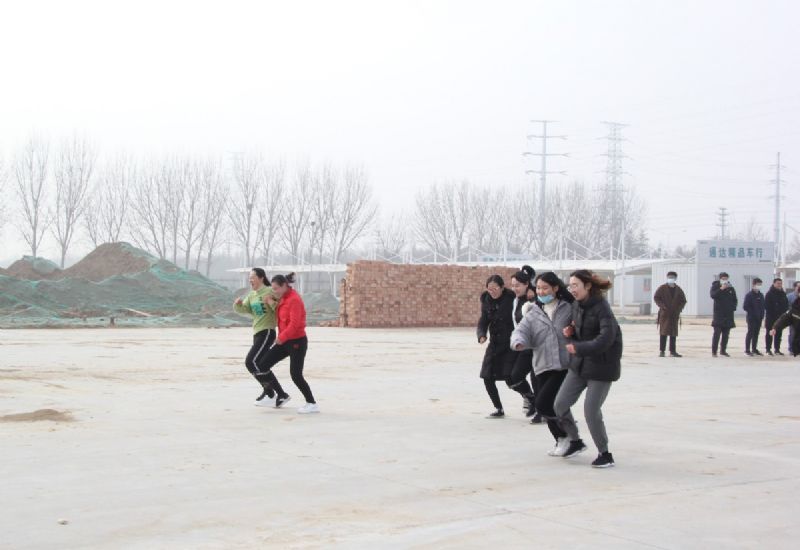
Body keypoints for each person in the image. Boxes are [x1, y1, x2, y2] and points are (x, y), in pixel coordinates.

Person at [554, 270, 622, 468]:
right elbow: (581, 331)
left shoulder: (602, 309)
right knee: (560, 404)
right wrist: (571, 332)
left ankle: (605, 453)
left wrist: (579, 348)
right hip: (580, 365)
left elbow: (606, 339)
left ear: (588, 286)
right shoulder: (577, 305)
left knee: (591, 411)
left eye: (575, 285)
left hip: (601, 367)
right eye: (570, 286)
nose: (572, 289)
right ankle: (575, 441)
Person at [511, 272, 575, 457]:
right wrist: (518, 342)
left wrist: (573, 330)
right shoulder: (534, 311)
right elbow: (521, 330)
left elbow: (581, 327)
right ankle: (562, 439)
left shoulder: (568, 308)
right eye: (538, 288)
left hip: (563, 365)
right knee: (547, 406)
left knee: (544, 403)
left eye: (545, 288)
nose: (541, 291)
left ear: (555, 288)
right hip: (542, 364)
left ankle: (569, 438)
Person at [254, 273, 319, 414]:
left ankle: (311, 403)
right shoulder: (283, 297)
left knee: (296, 375)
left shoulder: (294, 300)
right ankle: (275, 394)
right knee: (262, 365)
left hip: (297, 342)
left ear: (284, 286)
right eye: (273, 289)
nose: (274, 291)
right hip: (284, 341)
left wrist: (281, 337)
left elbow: (295, 324)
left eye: (276, 288)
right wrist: (270, 301)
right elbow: (279, 312)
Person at [233, 267, 279, 406]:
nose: (250, 280)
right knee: (260, 364)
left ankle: (271, 392)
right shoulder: (252, 295)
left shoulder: (270, 291)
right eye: (249, 277)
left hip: (267, 331)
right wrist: (238, 305)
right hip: (257, 332)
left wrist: (270, 302)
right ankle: (272, 393)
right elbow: (245, 309)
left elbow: (279, 308)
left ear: (261, 278)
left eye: (252, 277)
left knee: (250, 362)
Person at [477, 274, 517, 418]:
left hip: (511, 343)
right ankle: (498, 408)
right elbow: (483, 320)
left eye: (495, 288)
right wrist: (481, 334)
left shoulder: (512, 299)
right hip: (494, 343)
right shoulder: (486, 300)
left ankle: (530, 398)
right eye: (489, 289)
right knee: (487, 376)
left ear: (502, 287)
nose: (492, 291)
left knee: (510, 377)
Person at [507, 266, 538, 419]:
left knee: (536, 377)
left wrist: (533, 292)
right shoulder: (516, 300)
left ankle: (541, 409)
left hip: (536, 345)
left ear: (526, 285)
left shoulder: (535, 299)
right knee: (513, 376)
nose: (514, 288)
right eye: (513, 285)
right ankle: (531, 398)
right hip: (522, 345)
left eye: (518, 285)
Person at [653, 271, 687, 358]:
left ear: (675, 278)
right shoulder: (662, 288)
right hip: (665, 314)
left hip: (674, 314)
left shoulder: (678, 289)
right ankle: (662, 351)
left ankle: (673, 351)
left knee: (673, 333)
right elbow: (656, 297)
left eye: (672, 277)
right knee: (663, 332)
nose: (671, 279)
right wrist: (662, 306)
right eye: (669, 277)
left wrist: (679, 309)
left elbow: (683, 300)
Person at [710, 272, 737, 358]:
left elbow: (735, 299)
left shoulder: (731, 288)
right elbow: (713, 295)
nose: (725, 280)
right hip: (719, 314)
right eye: (723, 279)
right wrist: (721, 289)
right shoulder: (715, 286)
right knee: (717, 334)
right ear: (720, 279)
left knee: (726, 334)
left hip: (728, 314)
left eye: (726, 279)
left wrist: (733, 307)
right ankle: (714, 351)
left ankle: (723, 350)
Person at [765, 278, 789, 356]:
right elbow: (767, 306)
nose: (779, 285)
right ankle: (768, 349)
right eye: (778, 283)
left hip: (780, 318)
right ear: (774, 284)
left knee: (779, 334)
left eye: (780, 283)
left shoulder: (783, 293)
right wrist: (775, 311)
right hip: (771, 317)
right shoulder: (769, 294)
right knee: (770, 333)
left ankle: (777, 349)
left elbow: (786, 304)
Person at [743, 278, 765, 356]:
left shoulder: (761, 295)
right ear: (753, 285)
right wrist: (753, 313)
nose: (759, 286)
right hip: (751, 318)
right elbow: (745, 306)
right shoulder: (749, 295)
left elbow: (763, 306)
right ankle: (747, 350)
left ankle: (754, 349)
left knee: (756, 334)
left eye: (760, 285)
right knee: (750, 333)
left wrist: (762, 315)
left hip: (759, 318)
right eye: (758, 284)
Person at [786, 281, 800, 353]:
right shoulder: (789, 296)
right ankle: (791, 349)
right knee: (793, 333)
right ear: (795, 287)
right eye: (798, 286)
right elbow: (786, 306)